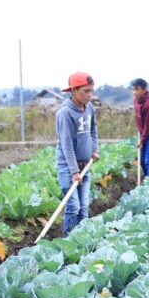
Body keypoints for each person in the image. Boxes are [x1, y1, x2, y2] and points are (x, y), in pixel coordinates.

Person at [56, 71, 99, 235]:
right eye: (85, 91)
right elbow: (66, 144)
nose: (90, 95)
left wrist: (95, 150)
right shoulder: (65, 113)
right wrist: (74, 171)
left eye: (91, 90)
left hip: (85, 165)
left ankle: (83, 240)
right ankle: (69, 240)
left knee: (84, 207)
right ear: (74, 91)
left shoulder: (90, 108)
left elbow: (93, 130)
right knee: (73, 206)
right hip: (68, 167)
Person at [131, 78, 149, 178]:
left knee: (148, 160)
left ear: (144, 90)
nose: (134, 92)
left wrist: (142, 141)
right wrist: (139, 128)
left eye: (137, 90)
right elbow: (138, 116)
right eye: (133, 89)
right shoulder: (136, 101)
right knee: (142, 161)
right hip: (143, 132)